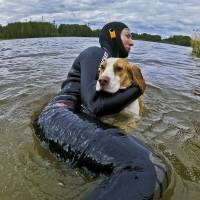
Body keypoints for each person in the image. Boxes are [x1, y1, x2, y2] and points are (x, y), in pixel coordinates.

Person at [34, 22, 170, 200]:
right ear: (112, 35)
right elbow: (94, 105)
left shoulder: (109, 68)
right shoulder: (97, 53)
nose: (132, 41)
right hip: (58, 114)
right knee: (149, 168)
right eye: (127, 35)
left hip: (66, 120)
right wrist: (138, 88)